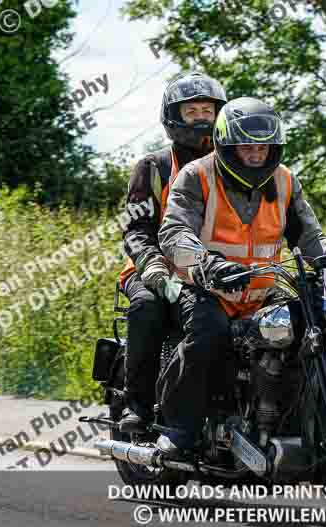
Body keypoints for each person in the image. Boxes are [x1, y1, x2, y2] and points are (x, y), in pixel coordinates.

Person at [156, 97, 326, 456]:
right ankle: (178, 428)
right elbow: (174, 234)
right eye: (248, 146)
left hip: (262, 292)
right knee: (209, 334)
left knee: (312, 329)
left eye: (264, 147)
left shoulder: (286, 181)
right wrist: (207, 264)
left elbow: (310, 237)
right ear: (228, 145)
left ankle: (296, 425)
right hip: (205, 289)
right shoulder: (197, 176)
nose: (257, 154)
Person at [117, 72, 227, 433]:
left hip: (209, 270)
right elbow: (135, 229)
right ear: (174, 117)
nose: (201, 118)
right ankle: (138, 404)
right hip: (154, 268)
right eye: (192, 110)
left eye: (207, 110)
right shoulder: (155, 167)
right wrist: (150, 263)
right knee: (148, 305)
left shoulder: (234, 166)